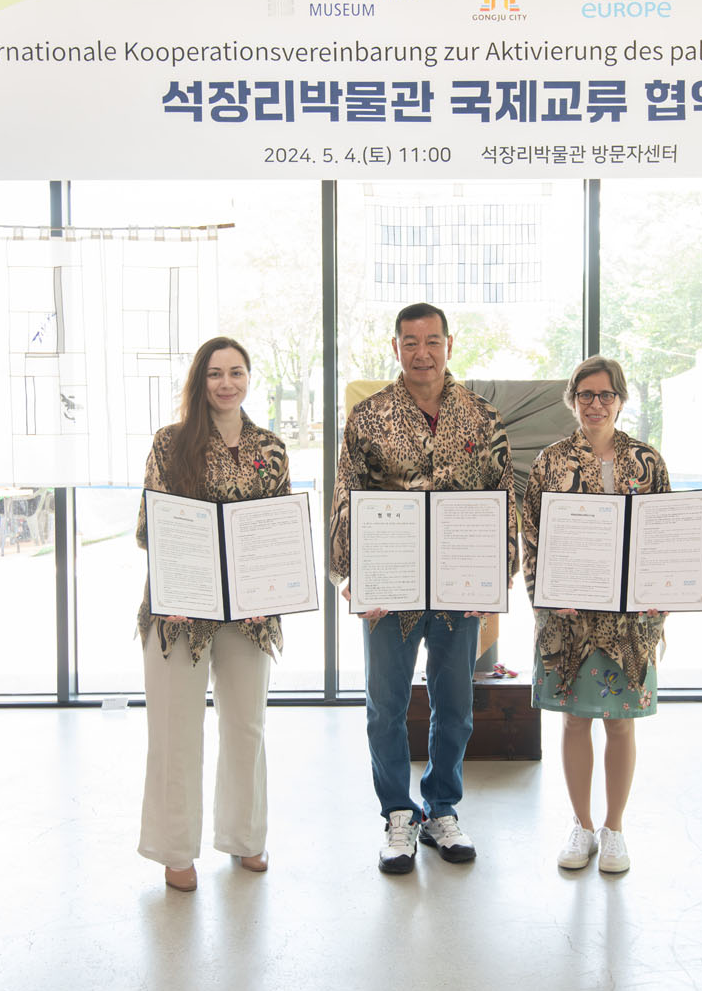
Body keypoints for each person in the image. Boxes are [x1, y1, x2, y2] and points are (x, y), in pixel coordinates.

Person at [330, 302, 517, 875]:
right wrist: (351, 575)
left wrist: (496, 577)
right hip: (390, 587)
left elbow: (503, 499)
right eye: (410, 342)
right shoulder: (368, 417)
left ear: (449, 345)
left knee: (455, 705)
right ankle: (397, 815)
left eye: (432, 340)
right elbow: (346, 495)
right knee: (385, 706)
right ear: (395, 348)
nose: (422, 352)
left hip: (460, 586)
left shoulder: (482, 418)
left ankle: (442, 808)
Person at [135, 336, 290, 892]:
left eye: (237, 372)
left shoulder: (271, 448)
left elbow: (281, 528)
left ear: (249, 378)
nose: (227, 383)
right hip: (180, 609)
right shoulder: (170, 443)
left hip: (250, 610)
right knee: (175, 730)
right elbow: (148, 528)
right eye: (215, 373)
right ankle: (175, 850)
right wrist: (185, 569)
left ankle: (246, 837)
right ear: (200, 381)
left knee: (246, 726)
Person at [521, 356, 670, 875]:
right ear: (572, 400)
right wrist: (546, 592)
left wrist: (660, 594)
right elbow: (531, 537)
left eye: (606, 395)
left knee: (622, 724)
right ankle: (581, 826)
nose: (596, 404)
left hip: (629, 622)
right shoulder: (550, 462)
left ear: (621, 400)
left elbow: (665, 535)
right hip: (570, 619)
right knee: (574, 719)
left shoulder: (647, 461)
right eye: (586, 394)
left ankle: (615, 829)